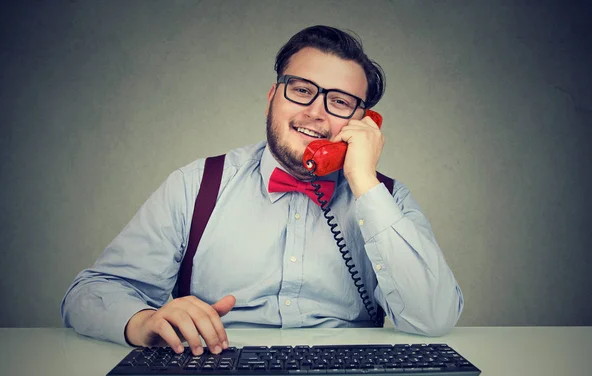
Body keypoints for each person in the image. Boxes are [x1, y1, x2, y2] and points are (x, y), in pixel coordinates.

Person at [61, 25, 464, 357]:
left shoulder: (387, 199)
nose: (316, 112)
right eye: (302, 90)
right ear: (273, 96)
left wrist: (364, 184)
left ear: (364, 123)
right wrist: (141, 322)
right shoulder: (195, 184)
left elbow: (434, 317)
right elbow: (90, 293)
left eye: (340, 102)